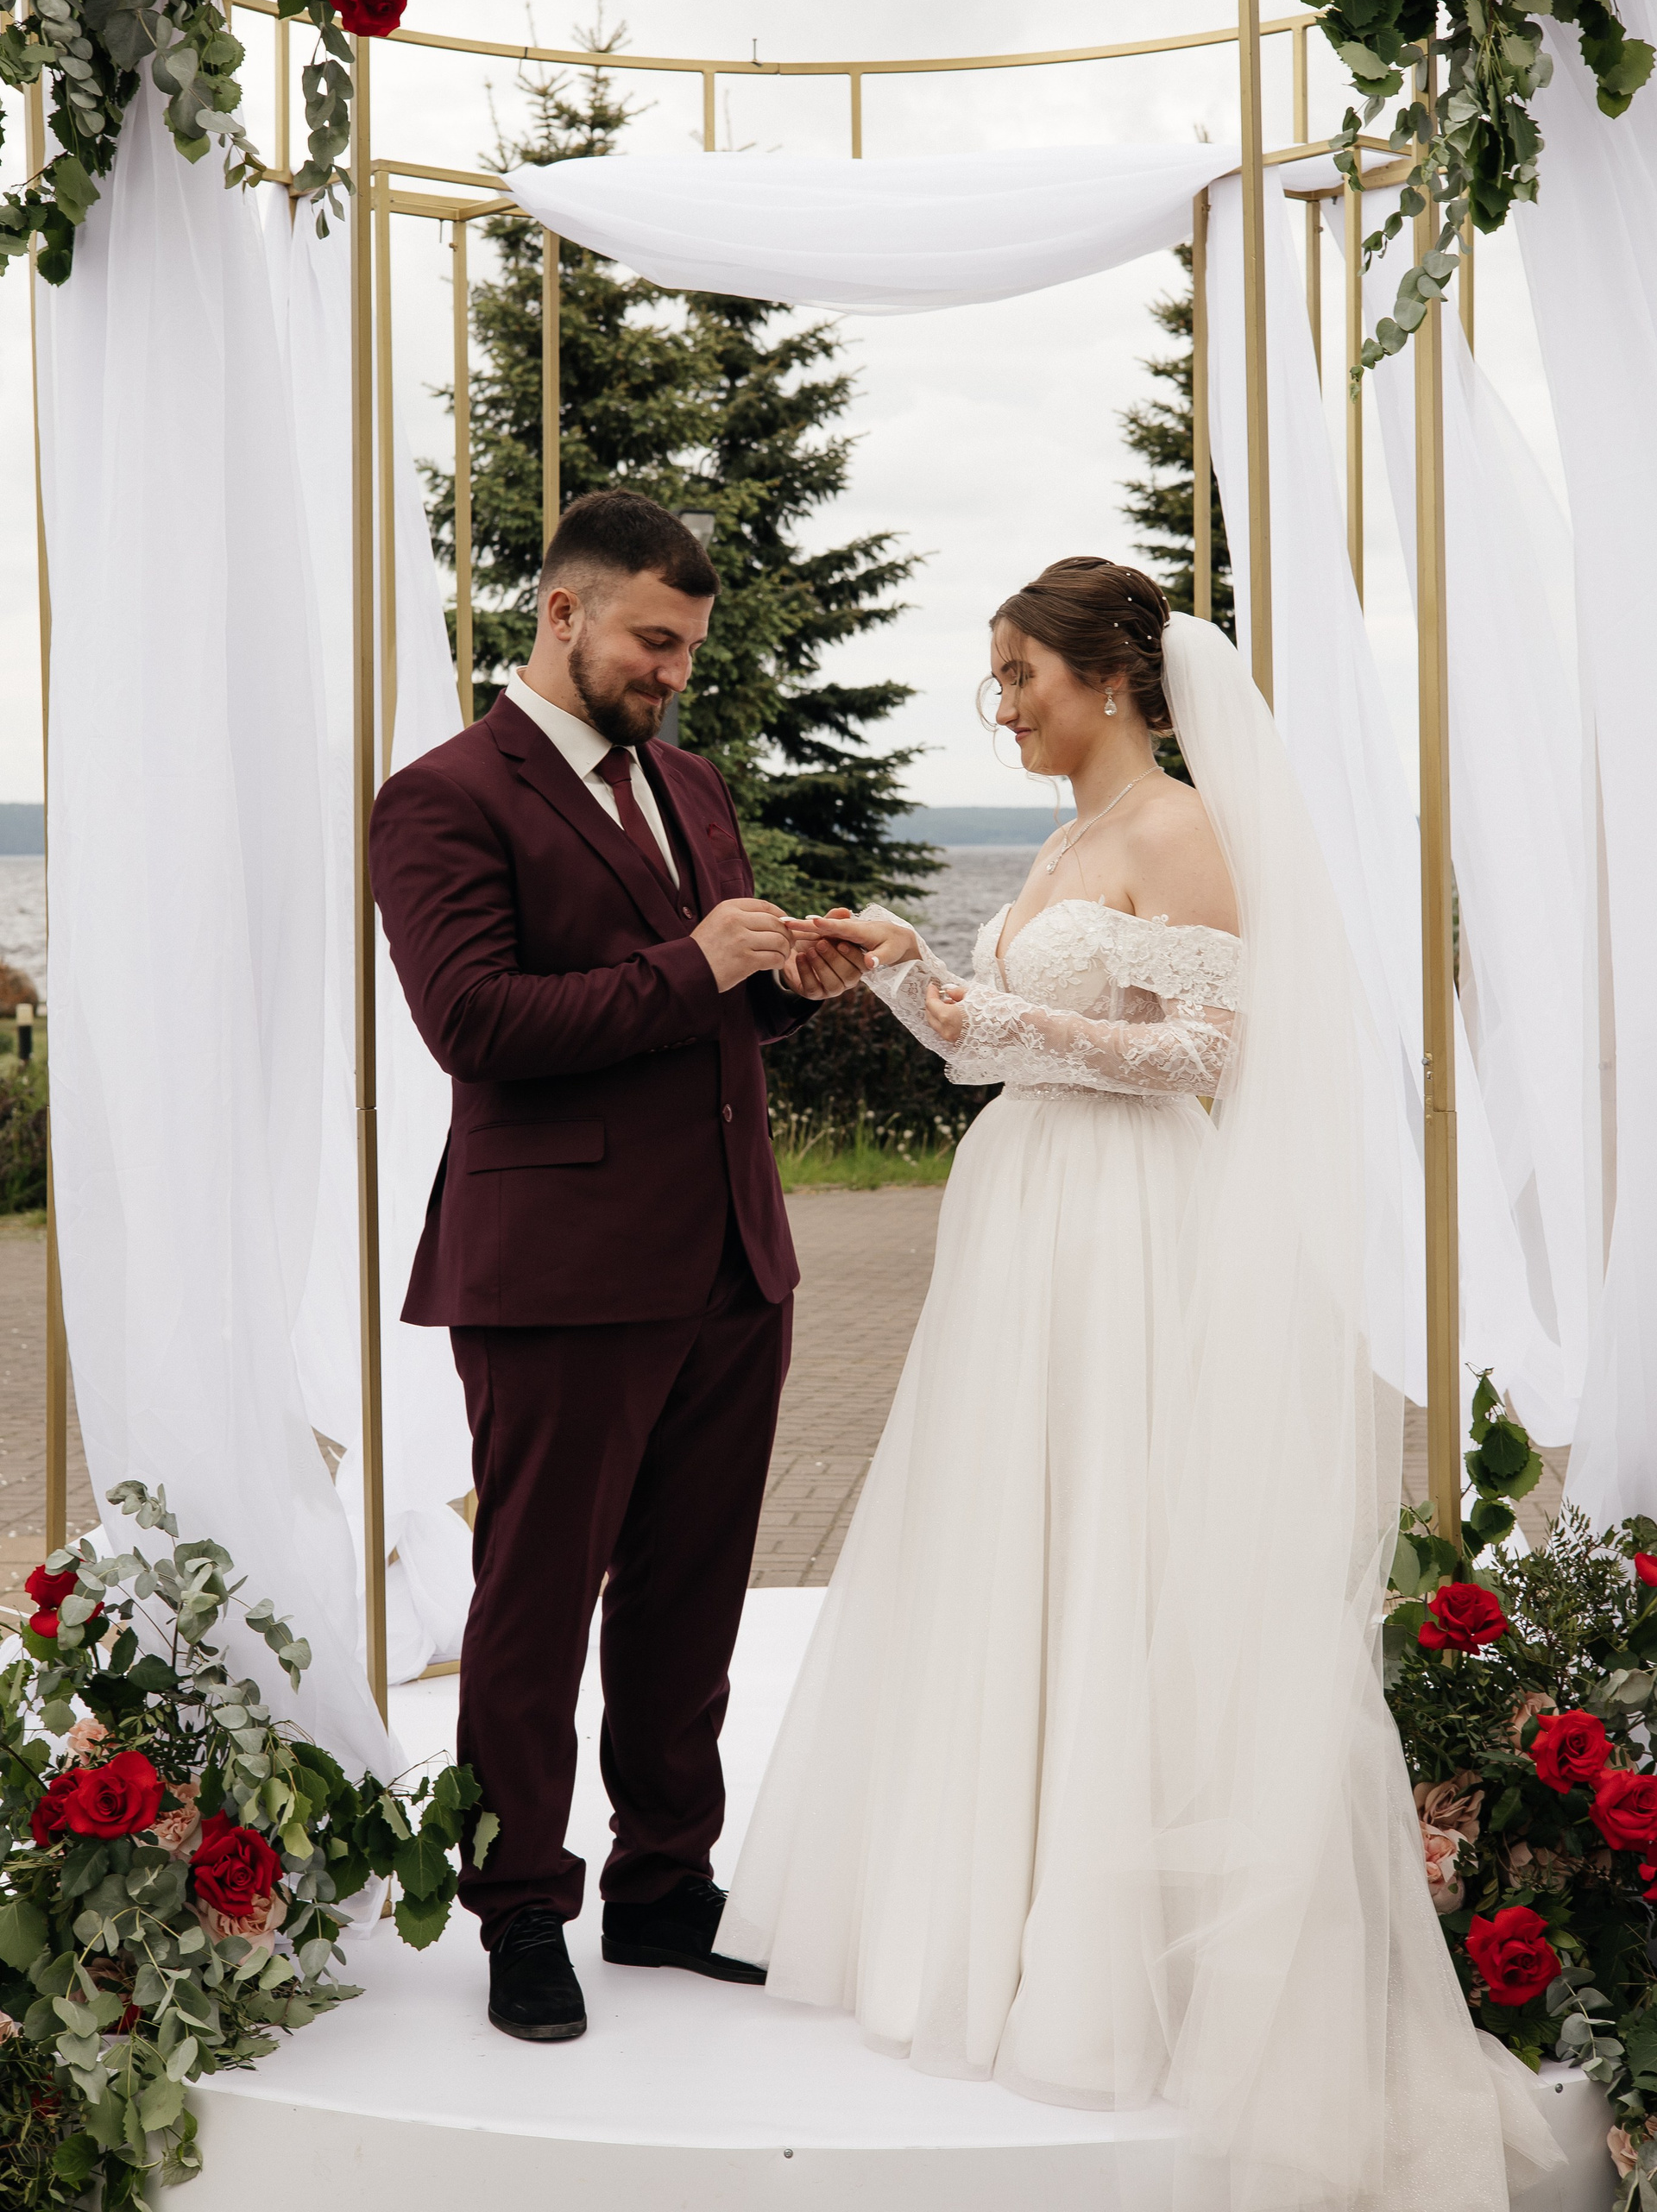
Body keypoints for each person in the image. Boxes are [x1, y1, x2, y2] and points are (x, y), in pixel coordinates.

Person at [718, 560, 1561, 2212]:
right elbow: (986, 1042)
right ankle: (1000, 1907)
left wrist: (996, 1011)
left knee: (1123, 1534)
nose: (1004, 707)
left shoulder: (1179, 830)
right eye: (995, 681)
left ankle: (1118, 1954)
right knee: (1017, 1536)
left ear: (1109, 676)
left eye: (1019, 675)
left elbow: (1204, 1056)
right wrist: (901, 969)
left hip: (1124, 1219)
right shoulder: (1062, 842)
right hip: (1023, 1212)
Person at [369, 489, 861, 2045]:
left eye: (690, 648)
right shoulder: (442, 797)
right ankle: (521, 1905)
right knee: (533, 1603)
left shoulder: (691, 782)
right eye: (655, 640)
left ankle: (664, 1884)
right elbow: (476, 1024)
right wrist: (692, 963)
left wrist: (784, 987)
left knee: (691, 1596)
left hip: (733, 1254)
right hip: (559, 1270)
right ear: (563, 611)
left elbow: (708, 1009)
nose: (675, 672)